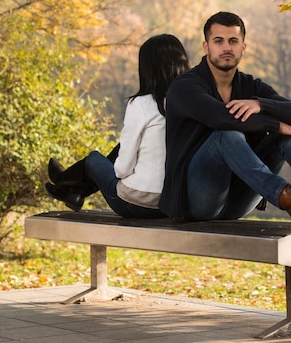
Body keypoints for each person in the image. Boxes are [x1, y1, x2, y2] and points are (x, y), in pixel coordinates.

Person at [159, 12, 291, 227]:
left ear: (243, 47)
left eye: (233, 41)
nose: (227, 48)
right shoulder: (185, 86)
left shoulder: (250, 86)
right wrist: (276, 125)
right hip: (196, 201)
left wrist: (261, 104)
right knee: (226, 136)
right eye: (219, 41)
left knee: (290, 136)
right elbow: (221, 118)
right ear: (206, 47)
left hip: (237, 201)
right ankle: (285, 196)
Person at [45, 34, 190, 218]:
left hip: (137, 205)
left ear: (147, 68)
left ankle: (66, 184)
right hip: (175, 204)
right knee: (120, 149)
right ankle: (72, 190)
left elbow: (122, 170)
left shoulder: (141, 104)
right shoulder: (192, 105)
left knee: (94, 160)